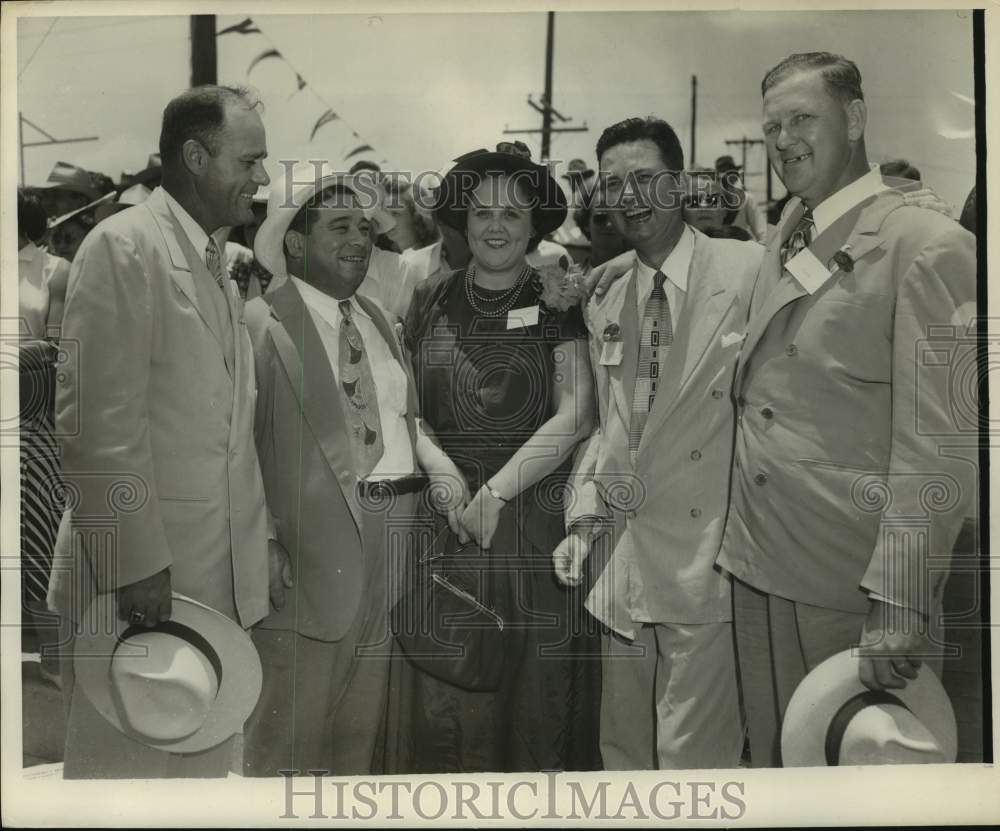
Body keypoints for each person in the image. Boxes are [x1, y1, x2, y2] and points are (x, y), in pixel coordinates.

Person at [715, 52, 976, 767]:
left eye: (803, 119)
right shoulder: (793, 227)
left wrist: (900, 596)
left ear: (855, 118)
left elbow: (943, 443)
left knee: (866, 778)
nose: (784, 140)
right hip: (763, 562)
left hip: (851, 583)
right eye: (772, 126)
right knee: (783, 771)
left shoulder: (929, 244)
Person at [49, 84, 281, 778]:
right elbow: (94, 423)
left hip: (206, 581)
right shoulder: (123, 246)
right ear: (194, 157)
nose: (264, 178)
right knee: (121, 778)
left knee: (195, 779)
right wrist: (134, 561)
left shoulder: (214, 259)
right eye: (251, 160)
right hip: (142, 580)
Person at [383, 141, 601, 773]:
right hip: (448, 522)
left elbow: (576, 412)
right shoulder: (430, 298)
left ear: (535, 224)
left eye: (512, 213)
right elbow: (407, 409)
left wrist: (497, 493)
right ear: (462, 221)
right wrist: (442, 472)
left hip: (529, 525)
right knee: (445, 707)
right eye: (481, 213)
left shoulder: (558, 298)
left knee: (533, 706)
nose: (496, 226)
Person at [241, 171, 466, 776]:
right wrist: (261, 540)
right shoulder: (261, 324)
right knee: (288, 731)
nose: (360, 240)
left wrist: (439, 466)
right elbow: (238, 446)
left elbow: (402, 417)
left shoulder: (378, 318)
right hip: (309, 547)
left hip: (394, 537)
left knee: (357, 728)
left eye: (367, 229)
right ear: (293, 242)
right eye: (340, 226)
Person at [553, 117, 760, 770]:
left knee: (693, 762)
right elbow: (611, 428)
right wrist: (583, 523)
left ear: (679, 181)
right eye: (613, 184)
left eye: (645, 178)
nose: (629, 196)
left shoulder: (750, 267)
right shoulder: (608, 293)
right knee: (624, 755)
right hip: (624, 560)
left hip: (710, 564)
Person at [18, 188, 69, 688]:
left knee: (38, 541)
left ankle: (54, 657)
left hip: (33, 423)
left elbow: (57, 350)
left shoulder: (54, 270)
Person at [715, 154, 766, 241]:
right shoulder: (713, 201)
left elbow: (762, 232)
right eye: (722, 178)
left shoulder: (747, 199)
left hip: (743, 247)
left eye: (731, 176)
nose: (727, 181)